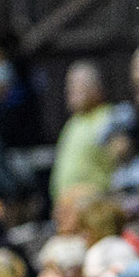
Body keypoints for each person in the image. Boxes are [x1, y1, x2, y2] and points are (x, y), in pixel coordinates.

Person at [50, 60, 117, 199]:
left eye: (76, 84)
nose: (69, 91)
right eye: (68, 85)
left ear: (97, 87)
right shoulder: (73, 123)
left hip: (95, 205)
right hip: (66, 207)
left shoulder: (110, 118)